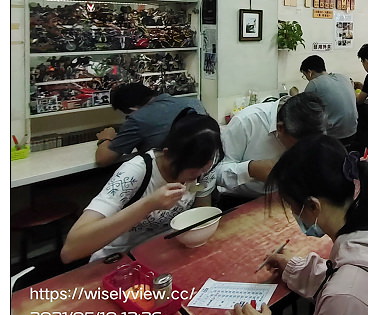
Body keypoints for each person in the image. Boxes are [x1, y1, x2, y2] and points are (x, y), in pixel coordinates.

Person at [221, 135, 368, 315]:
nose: (294, 214)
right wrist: (298, 270)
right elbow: (367, 275)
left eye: (291, 206)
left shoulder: (344, 297)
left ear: (313, 206)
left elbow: (351, 291)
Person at [61, 109, 224, 263]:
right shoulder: (136, 171)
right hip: (119, 258)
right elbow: (70, 250)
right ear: (167, 153)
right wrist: (148, 204)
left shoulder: (205, 168)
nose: (197, 174)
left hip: (164, 252)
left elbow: (202, 217)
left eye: (205, 166)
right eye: (191, 168)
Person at [214, 94, 327, 200]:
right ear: (280, 128)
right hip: (240, 200)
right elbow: (214, 173)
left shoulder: (310, 128)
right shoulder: (247, 121)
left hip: (282, 198)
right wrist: (250, 170)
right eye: (297, 146)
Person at [94, 83, 206, 167]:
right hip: (205, 167)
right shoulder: (194, 103)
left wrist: (105, 138)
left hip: (170, 177)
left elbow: (103, 159)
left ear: (132, 109)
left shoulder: (138, 118)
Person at [300, 55, 358, 146]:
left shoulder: (314, 84)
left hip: (334, 137)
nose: (307, 78)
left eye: (305, 75)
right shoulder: (344, 77)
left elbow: (302, 107)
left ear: (310, 72)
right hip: (353, 132)